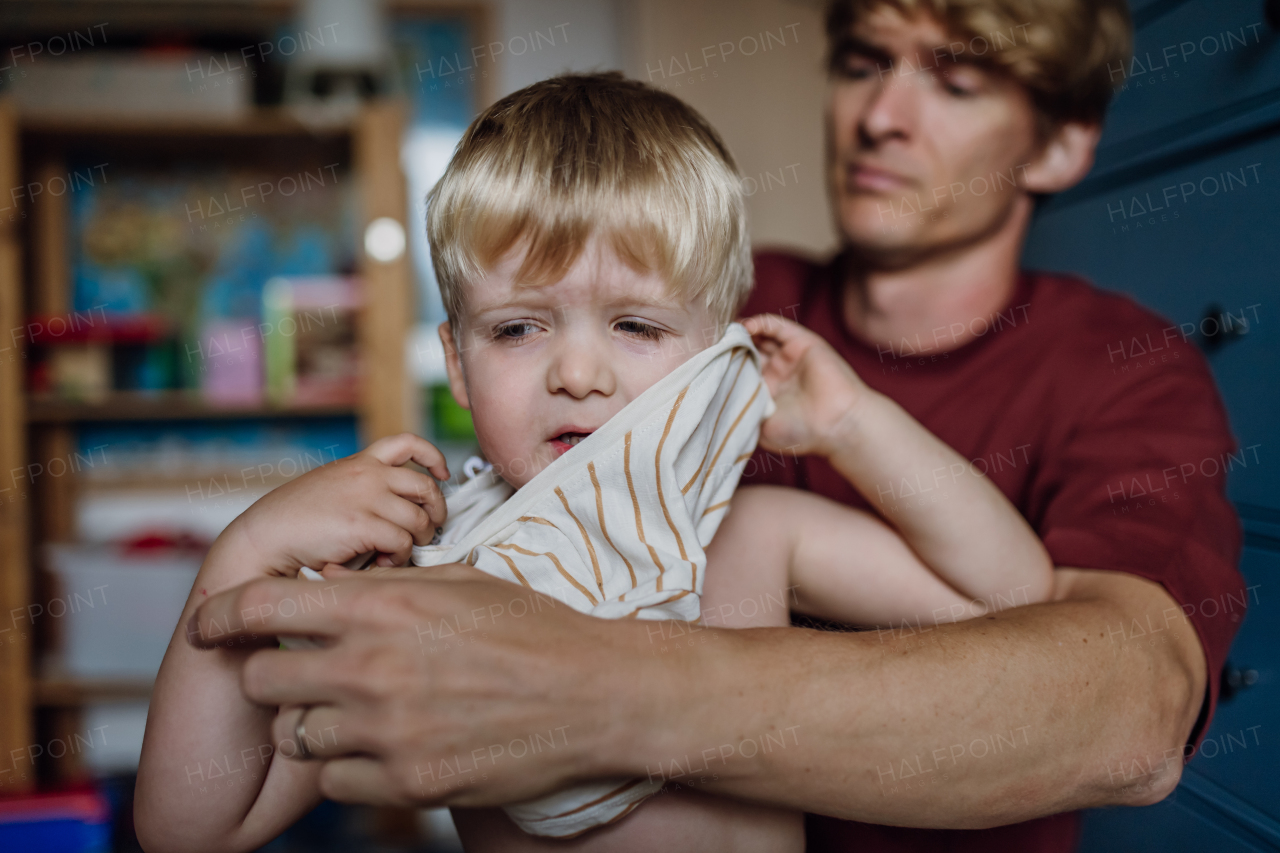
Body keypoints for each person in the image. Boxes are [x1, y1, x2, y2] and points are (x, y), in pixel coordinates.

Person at [174, 1, 1245, 851]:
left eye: (636, 326)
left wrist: (857, 427)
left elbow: (1017, 604)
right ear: (454, 358)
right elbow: (193, 823)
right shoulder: (433, 561)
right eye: (515, 329)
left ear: (716, 352)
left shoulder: (750, 529)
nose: (579, 373)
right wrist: (247, 551)